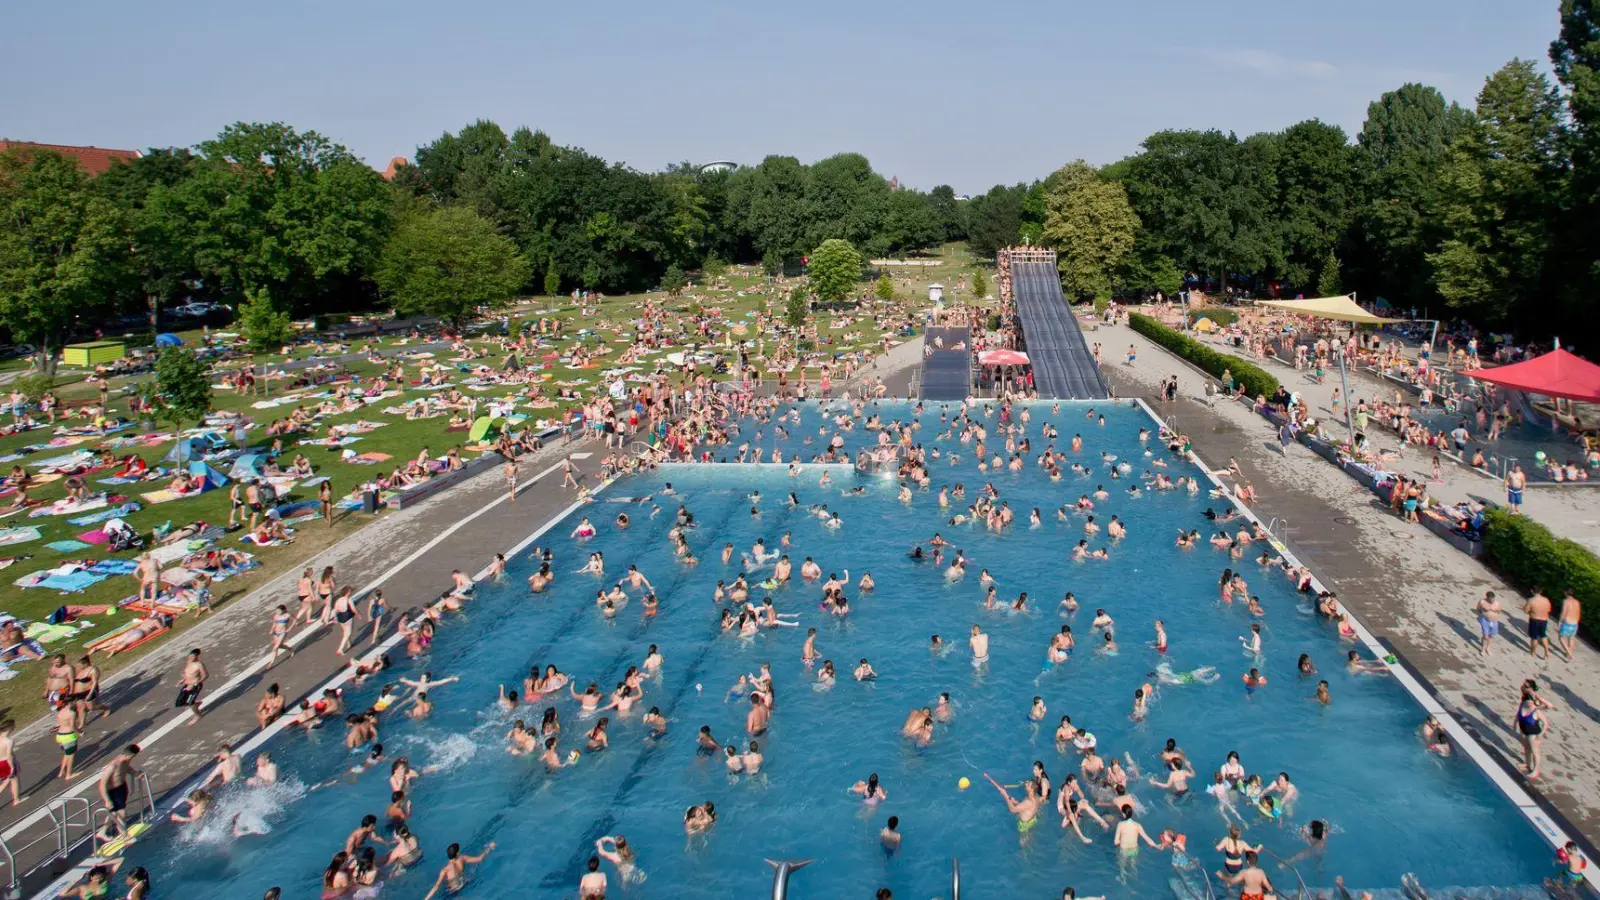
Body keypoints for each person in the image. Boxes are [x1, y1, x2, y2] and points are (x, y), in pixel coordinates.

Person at [422, 841, 495, 900]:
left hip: (452, 891)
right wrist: (489, 848)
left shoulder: (445, 870)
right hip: (465, 883)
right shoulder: (462, 858)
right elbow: (480, 859)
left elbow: (436, 886)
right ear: (457, 853)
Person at [176, 648, 208, 724]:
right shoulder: (189, 662)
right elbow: (188, 673)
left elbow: (206, 675)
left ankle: (198, 715)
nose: (191, 658)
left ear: (197, 656)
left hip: (195, 686)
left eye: (193, 656)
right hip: (187, 685)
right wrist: (183, 680)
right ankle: (196, 704)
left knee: (190, 703)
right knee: (180, 701)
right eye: (190, 656)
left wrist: (194, 684)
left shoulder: (199, 664)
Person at [1525, 588, 1553, 660]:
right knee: (1543, 635)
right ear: (1541, 591)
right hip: (1544, 620)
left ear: (1532, 591)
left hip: (1534, 620)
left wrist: (1530, 612)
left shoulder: (1531, 600)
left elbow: (1526, 610)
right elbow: (1549, 609)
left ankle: (1533, 652)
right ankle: (1547, 651)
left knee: (1534, 637)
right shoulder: (1546, 600)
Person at [1557, 588, 1583, 663]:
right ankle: (1568, 655)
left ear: (1566, 593)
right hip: (1575, 622)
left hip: (1567, 622)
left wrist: (1560, 622)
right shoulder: (1577, 602)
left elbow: (1563, 613)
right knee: (1571, 638)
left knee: (1561, 638)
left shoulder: (1566, 601)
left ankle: (1570, 654)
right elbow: (1578, 612)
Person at [1474, 590, 1502, 657]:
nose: (1492, 601)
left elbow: (1499, 611)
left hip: (1494, 621)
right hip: (1485, 621)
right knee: (1485, 636)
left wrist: (1494, 610)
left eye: (1493, 599)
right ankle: (1483, 649)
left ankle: (1488, 647)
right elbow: (1478, 609)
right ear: (1487, 598)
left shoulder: (1497, 603)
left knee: (1491, 636)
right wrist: (1483, 614)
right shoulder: (1482, 602)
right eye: (1490, 599)